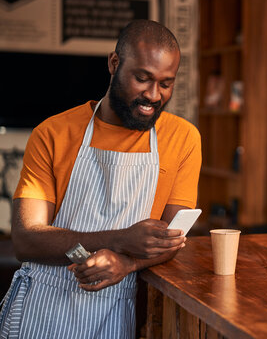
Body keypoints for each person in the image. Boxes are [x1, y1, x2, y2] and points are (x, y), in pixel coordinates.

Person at [0, 19, 201, 338]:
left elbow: (171, 238)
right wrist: (119, 239)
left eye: (166, 83)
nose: (153, 95)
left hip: (117, 312)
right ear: (114, 63)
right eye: (142, 78)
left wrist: (127, 264)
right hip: (43, 308)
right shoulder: (53, 133)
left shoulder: (182, 138)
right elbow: (26, 240)